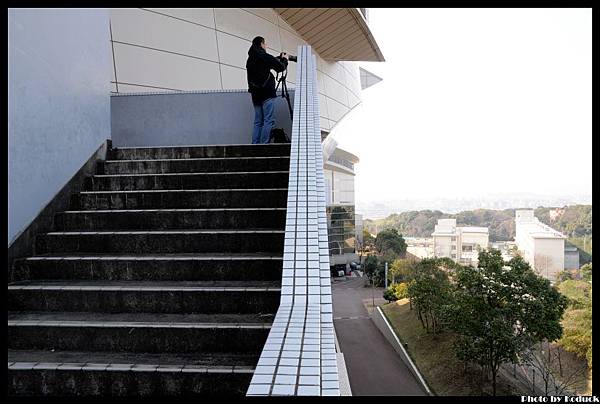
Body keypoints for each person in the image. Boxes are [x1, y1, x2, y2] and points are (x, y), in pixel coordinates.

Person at [246, 36, 288, 144]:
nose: (266, 46)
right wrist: (284, 59)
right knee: (268, 120)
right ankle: (264, 145)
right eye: (265, 44)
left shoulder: (250, 60)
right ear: (261, 44)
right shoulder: (263, 56)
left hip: (255, 95)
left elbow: (263, 66)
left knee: (258, 122)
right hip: (267, 93)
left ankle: (254, 145)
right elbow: (280, 67)